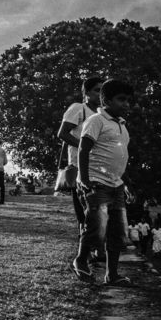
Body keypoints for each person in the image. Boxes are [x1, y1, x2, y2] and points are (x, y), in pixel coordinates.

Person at [71, 79, 136, 286]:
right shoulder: (97, 120)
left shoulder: (122, 126)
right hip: (96, 182)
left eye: (128, 100)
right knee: (96, 227)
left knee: (117, 231)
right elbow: (83, 149)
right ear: (106, 100)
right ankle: (80, 261)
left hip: (116, 185)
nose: (125, 104)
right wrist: (86, 180)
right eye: (121, 99)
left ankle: (112, 275)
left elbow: (119, 159)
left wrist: (127, 184)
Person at [57, 77, 104, 235]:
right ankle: (87, 251)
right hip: (80, 166)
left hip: (99, 167)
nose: (101, 94)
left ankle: (96, 248)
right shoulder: (78, 108)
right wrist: (85, 147)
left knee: (99, 210)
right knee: (86, 211)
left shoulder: (102, 114)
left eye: (103, 91)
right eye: (97, 90)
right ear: (86, 93)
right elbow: (62, 134)